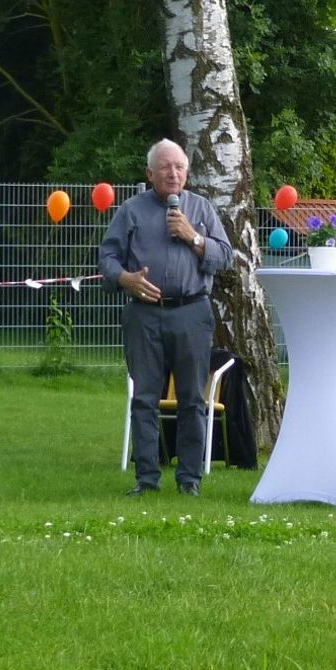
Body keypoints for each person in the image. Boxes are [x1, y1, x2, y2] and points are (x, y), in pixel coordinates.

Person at [99, 139, 233, 496]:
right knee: (144, 398)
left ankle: (189, 480)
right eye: (165, 167)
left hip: (192, 313)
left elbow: (226, 256)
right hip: (144, 316)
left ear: (187, 173)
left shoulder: (201, 209)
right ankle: (146, 480)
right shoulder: (131, 210)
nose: (172, 173)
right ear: (149, 173)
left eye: (179, 167)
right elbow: (107, 258)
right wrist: (125, 279)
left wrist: (195, 238)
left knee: (192, 399)